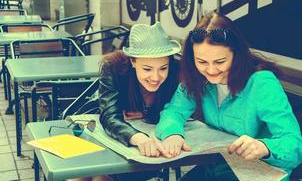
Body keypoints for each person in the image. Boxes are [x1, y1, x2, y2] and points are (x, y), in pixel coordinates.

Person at [156, 12, 302, 181]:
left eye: (219, 62)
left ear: (236, 54)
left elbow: (294, 145)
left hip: (261, 172)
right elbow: (174, 111)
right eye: (202, 62)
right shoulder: (195, 77)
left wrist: (264, 147)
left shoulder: (262, 83)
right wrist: (172, 134)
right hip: (218, 168)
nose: (210, 70)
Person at [70, 22, 181, 181]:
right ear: (133, 62)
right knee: (83, 177)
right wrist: (138, 138)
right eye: (147, 69)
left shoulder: (177, 71)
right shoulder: (113, 67)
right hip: (103, 135)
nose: (156, 77)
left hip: (149, 152)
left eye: (163, 68)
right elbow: (108, 114)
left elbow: (178, 110)